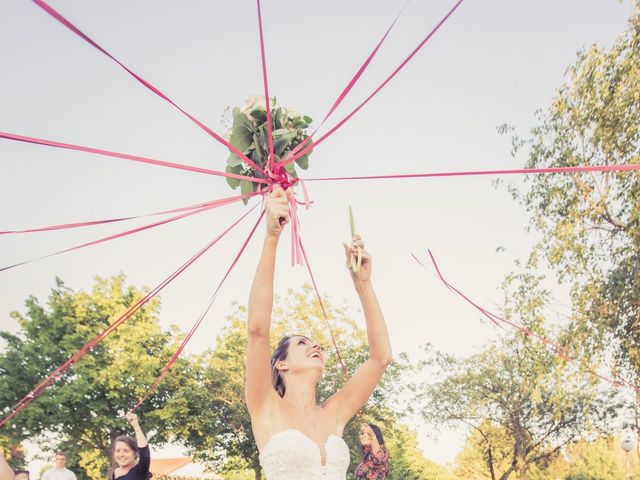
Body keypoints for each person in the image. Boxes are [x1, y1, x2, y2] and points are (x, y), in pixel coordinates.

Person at [245, 186, 393, 480]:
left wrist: (363, 285)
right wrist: (272, 238)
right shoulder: (265, 405)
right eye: (302, 343)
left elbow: (381, 358)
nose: (315, 346)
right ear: (281, 364)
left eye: (315, 343)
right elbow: (258, 331)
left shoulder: (334, 412)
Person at [108, 412, 150, 480]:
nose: (121, 454)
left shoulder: (140, 471)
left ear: (135, 453)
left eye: (126, 451)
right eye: (118, 451)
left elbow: (145, 454)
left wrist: (136, 425)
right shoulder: (115, 472)